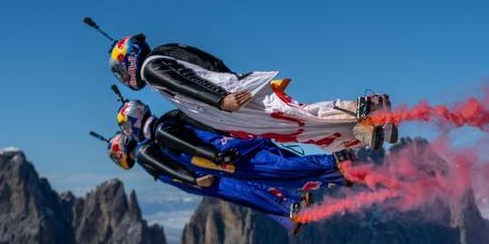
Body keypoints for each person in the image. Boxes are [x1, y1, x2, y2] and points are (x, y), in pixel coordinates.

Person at [85, 18, 397, 150]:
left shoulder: (154, 68)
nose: (123, 78)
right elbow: (210, 64)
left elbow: (186, 82)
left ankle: (368, 108)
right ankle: (363, 129)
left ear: (128, 59)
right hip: (234, 101)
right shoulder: (166, 53)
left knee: (295, 117)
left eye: (119, 70)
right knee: (293, 126)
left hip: (234, 102)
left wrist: (222, 101)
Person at [116, 96, 352, 194]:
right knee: (279, 172)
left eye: (126, 127)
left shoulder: (161, 131)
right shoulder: (167, 120)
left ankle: (334, 162)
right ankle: (335, 174)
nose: (129, 132)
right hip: (229, 149)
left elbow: (190, 145)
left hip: (228, 154)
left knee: (278, 169)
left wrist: (216, 156)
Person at [94, 131, 305, 233]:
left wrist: (195, 179)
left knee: (244, 191)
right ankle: (290, 205)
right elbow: (173, 168)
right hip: (201, 176)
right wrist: (196, 177)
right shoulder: (145, 151)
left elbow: (173, 170)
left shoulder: (144, 155)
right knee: (246, 186)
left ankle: (288, 209)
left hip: (199, 179)